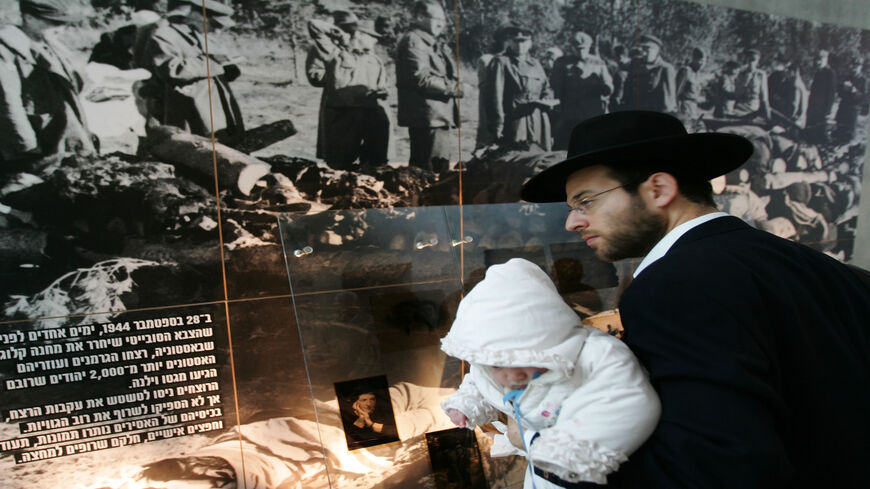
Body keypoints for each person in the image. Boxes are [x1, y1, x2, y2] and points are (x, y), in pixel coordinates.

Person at [519, 110, 870, 488]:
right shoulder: (827, 269)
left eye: (585, 201)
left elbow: (710, 467)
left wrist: (546, 446)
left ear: (658, 190)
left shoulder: (674, 285)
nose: (572, 222)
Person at [441, 258, 660, 488]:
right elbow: (478, 382)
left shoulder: (596, 355)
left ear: (548, 340)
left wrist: (568, 450)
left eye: (522, 360)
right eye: (497, 365)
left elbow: (630, 403)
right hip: (539, 469)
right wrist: (466, 404)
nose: (510, 376)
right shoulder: (489, 366)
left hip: (581, 466)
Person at [133, 0, 244, 144]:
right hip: (187, 109)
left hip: (214, 109)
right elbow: (172, 70)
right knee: (193, 151)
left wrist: (227, 68)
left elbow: (210, 66)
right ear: (198, 16)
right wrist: (213, 63)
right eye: (215, 24)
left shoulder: (199, 34)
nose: (217, 31)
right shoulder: (164, 34)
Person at [0, 0, 97, 165]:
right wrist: (27, 146)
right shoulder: (6, 51)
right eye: (54, 23)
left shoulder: (49, 44)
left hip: (60, 133)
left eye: (63, 24)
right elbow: (8, 103)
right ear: (29, 18)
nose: (61, 29)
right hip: (36, 143)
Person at [307, 17, 390, 169]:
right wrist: (340, 34)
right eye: (371, 37)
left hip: (369, 115)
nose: (375, 41)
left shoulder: (375, 60)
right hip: (342, 115)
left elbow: (383, 85)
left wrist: (381, 92)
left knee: (374, 164)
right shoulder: (335, 53)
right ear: (358, 35)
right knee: (340, 163)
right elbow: (314, 25)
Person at [395, 1, 462, 175]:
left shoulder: (428, 41)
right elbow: (421, 79)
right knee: (429, 173)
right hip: (427, 117)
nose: (441, 23)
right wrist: (456, 88)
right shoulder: (414, 41)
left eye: (443, 19)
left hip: (436, 116)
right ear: (420, 17)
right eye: (436, 18)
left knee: (435, 169)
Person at [486, 25, 555, 151]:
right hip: (515, 119)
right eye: (516, 41)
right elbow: (495, 97)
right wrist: (498, 125)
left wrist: (547, 98)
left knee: (538, 158)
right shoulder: (501, 62)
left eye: (524, 41)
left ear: (530, 43)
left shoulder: (536, 64)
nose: (520, 45)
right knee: (515, 158)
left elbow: (547, 88)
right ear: (509, 42)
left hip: (538, 119)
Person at [550, 31, 613, 150]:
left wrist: (607, 88)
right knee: (566, 147)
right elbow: (555, 85)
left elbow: (608, 83)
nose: (581, 51)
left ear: (589, 47)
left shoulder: (598, 62)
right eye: (578, 48)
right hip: (570, 113)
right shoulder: (561, 63)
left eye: (584, 48)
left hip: (592, 112)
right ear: (572, 48)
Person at [620, 34, 676, 113]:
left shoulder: (665, 69)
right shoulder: (635, 63)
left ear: (656, 51)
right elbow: (627, 88)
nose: (643, 53)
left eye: (647, 50)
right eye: (642, 49)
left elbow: (668, 104)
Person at [768, 52, 808, 129]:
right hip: (799, 120)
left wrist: (785, 122)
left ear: (792, 72)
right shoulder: (800, 84)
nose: (786, 73)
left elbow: (793, 108)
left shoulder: (795, 85)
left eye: (788, 71)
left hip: (795, 123)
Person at [804, 49, 837, 144]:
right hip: (812, 110)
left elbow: (831, 95)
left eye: (820, 60)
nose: (818, 62)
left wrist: (827, 112)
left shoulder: (830, 73)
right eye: (817, 60)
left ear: (826, 59)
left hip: (821, 111)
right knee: (809, 134)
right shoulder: (818, 72)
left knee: (818, 136)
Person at [833, 56, 868, 145]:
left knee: (848, 139)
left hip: (852, 114)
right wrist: (842, 88)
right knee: (837, 136)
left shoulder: (864, 81)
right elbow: (839, 93)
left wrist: (854, 90)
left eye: (856, 66)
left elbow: (863, 99)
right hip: (842, 111)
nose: (854, 68)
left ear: (860, 67)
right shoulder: (847, 78)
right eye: (853, 65)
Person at [732, 48, 771, 121]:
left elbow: (764, 98)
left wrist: (768, 115)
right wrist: (745, 80)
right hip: (740, 107)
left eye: (753, 60)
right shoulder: (741, 74)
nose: (751, 63)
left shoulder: (761, 75)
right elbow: (736, 94)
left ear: (757, 62)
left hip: (753, 108)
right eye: (749, 60)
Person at [675, 46, 709, 121]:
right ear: (694, 59)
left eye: (704, 61)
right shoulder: (686, 71)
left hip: (693, 109)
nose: (702, 64)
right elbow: (676, 92)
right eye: (700, 61)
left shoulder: (698, 74)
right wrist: (677, 111)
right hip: (684, 109)